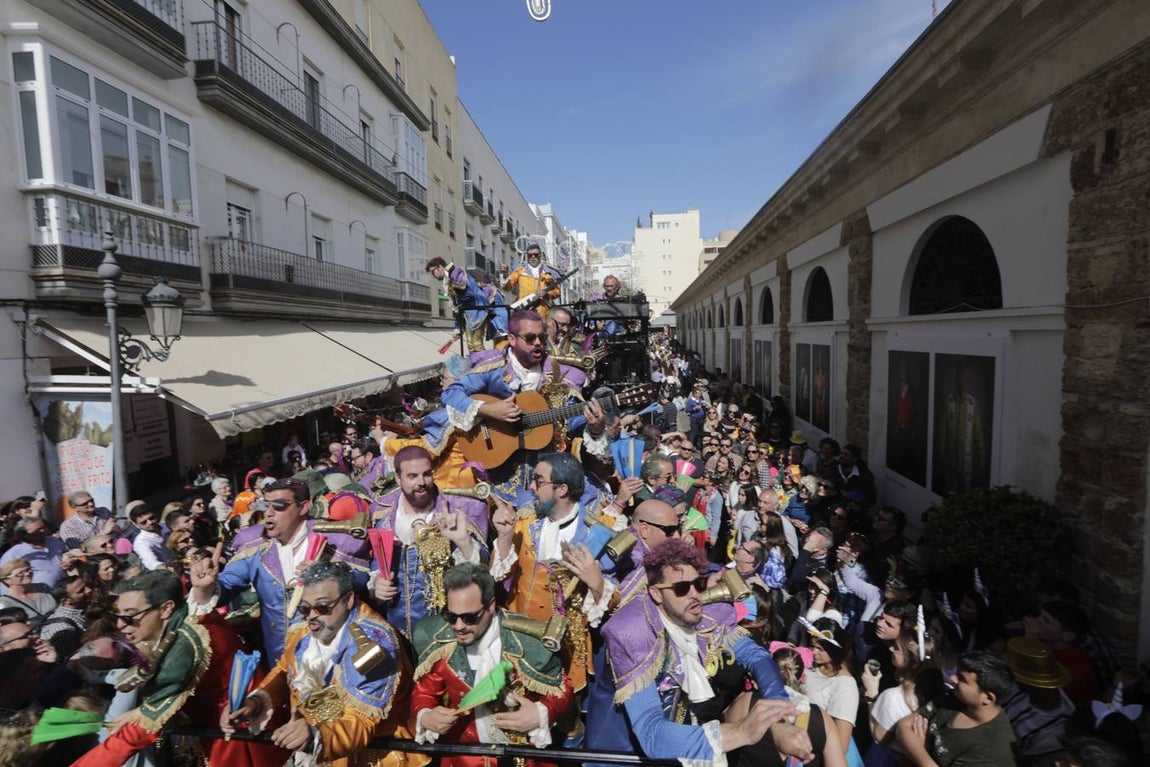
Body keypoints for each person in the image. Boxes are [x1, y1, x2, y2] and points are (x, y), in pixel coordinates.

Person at [590, 538, 812, 765]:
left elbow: (756, 656)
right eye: (682, 588)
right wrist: (741, 732)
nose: (695, 594)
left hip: (686, 743)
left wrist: (778, 717)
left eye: (699, 583)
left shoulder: (702, 613)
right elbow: (651, 733)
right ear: (656, 594)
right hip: (625, 755)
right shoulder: (633, 631)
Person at [73, 570, 281, 767]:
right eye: (117, 615)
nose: (120, 624)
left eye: (130, 615)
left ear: (165, 609)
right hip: (240, 730)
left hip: (238, 740)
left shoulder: (184, 651)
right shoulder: (188, 624)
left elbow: (139, 732)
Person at [223, 561, 417, 767]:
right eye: (305, 608)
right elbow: (285, 671)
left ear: (349, 599)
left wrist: (315, 736)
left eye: (323, 607)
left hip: (370, 757)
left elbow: (362, 720)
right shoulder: (303, 633)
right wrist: (255, 703)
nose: (312, 617)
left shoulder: (373, 644)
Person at [431, 309, 607, 505]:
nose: (539, 343)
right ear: (513, 339)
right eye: (530, 338)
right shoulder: (494, 368)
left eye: (541, 337)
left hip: (548, 467)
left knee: (593, 499)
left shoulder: (560, 373)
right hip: (498, 467)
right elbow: (451, 394)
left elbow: (570, 420)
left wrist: (594, 427)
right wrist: (487, 409)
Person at [187, 477, 370, 659]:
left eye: (279, 505)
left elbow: (363, 582)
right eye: (266, 505)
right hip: (282, 657)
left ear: (304, 507)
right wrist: (204, 587)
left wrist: (329, 576)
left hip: (333, 651)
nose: (268, 513)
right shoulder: (254, 547)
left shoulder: (335, 539)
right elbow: (226, 586)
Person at [410, 563, 572, 767]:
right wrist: (426, 716)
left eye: (469, 617)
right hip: (464, 757)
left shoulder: (527, 640)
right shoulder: (440, 640)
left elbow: (561, 687)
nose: (458, 626)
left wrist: (541, 712)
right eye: (451, 616)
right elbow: (424, 692)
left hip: (523, 758)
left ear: (491, 606)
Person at [490, 452, 618, 695]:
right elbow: (498, 576)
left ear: (561, 489)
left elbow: (614, 602)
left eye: (539, 481)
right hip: (520, 637)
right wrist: (505, 538)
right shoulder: (526, 521)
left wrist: (597, 583)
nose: (531, 487)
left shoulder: (597, 532)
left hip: (567, 647)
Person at [370, 445, 489, 638]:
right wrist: (377, 584)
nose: (421, 482)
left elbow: (482, 566)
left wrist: (463, 541)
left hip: (445, 627)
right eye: (412, 476)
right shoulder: (381, 511)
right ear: (398, 478)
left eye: (426, 474)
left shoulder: (456, 509)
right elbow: (375, 560)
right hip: (395, 626)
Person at [897, 650, 1017, 767]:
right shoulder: (954, 699)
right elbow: (904, 725)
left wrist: (922, 749)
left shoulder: (992, 750)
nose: (953, 679)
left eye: (962, 679)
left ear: (987, 698)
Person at [428, 256, 509, 352]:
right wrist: (457, 328)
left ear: (440, 267)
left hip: (477, 310)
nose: (433, 275)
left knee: (476, 344)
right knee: (471, 345)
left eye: (433, 271)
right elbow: (459, 307)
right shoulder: (449, 278)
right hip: (468, 313)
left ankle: (485, 366)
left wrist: (457, 303)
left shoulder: (456, 274)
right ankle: (475, 365)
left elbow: (469, 295)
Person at [0, 516, 65, 590]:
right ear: (24, 535)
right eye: (38, 530)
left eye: (43, 527)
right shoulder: (14, 555)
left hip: (64, 590)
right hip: (39, 596)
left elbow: (66, 556)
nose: (43, 531)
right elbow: (4, 582)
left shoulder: (54, 541)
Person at [502, 244, 562, 320]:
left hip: (542, 312)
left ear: (540, 255)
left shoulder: (549, 272)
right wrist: (505, 275)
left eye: (536, 255)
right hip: (524, 310)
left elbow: (557, 292)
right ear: (527, 256)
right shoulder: (520, 271)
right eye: (530, 255)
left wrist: (547, 294)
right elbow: (507, 287)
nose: (533, 257)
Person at [0, 559, 56, 628]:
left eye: (28, 570)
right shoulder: (4, 603)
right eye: (20, 573)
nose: (27, 574)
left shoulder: (43, 587)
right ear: (7, 580)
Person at [130, 504, 174, 571]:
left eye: (151, 518)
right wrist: (171, 569)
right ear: (136, 525)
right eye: (144, 522)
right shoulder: (141, 542)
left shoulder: (168, 526)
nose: (150, 522)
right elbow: (152, 563)